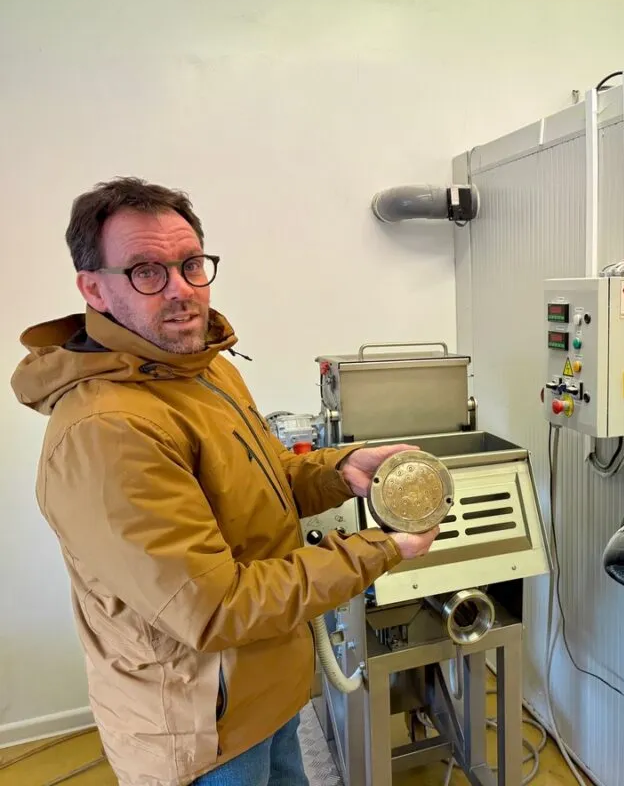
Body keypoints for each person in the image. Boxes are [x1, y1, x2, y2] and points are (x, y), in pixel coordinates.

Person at [10, 177, 440, 786]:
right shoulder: (106, 431)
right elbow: (216, 607)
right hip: (200, 730)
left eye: (191, 265)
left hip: (264, 689)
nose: (182, 291)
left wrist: (339, 471)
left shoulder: (202, 369)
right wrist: (381, 550)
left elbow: (257, 485)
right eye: (146, 271)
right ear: (93, 288)